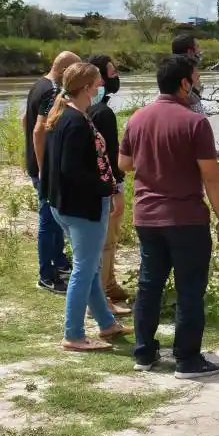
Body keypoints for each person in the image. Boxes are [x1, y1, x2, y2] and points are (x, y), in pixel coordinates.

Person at [119, 55, 219, 378]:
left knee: (149, 286)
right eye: (195, 78)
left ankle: (144, 354)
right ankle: (187, 359)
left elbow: (124, 164)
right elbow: (211, 177)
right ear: (183, 83)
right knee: (190, 289)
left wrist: (153, 159)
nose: (198, 84)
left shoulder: (137, 118)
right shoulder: (195, 122)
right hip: (186, 219)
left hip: (146, 218)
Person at [40, 61, 132, 352]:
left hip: (64, 205)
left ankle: (106, 323)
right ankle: (74, 334)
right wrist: (106, 188)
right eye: (97, 82)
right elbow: (72, 170)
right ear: (86, 87)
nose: (101, 85)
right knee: (83, 269)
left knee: (90, 268)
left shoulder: (63, 115)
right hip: (82, 208)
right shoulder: (75, 122)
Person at [25, 50, 80, 293]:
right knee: (48, 221)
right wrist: (44, 168)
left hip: (36, 163)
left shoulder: (39, 84)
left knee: (55, 220)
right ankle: (46, 275)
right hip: (44, 168)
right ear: (65, 70)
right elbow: (38, 130)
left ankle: (59, 263)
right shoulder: (53, 91)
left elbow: (24, 119)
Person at [86, 53, 130, 308]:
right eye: (112, 73)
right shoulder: (102, 113)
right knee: (107, 240)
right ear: (99, 78)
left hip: (96, 185)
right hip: (106, 185)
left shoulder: (85, 109)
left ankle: (110, 283)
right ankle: (101, 296)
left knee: (108, 238)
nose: (116, 78)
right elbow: (108, 156)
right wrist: (116, 188)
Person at [170, 33, 206, 114]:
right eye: (197, 46)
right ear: (190, 52)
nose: (200, 50)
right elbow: (197, 115)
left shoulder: (169, 71)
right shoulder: (187, 73)